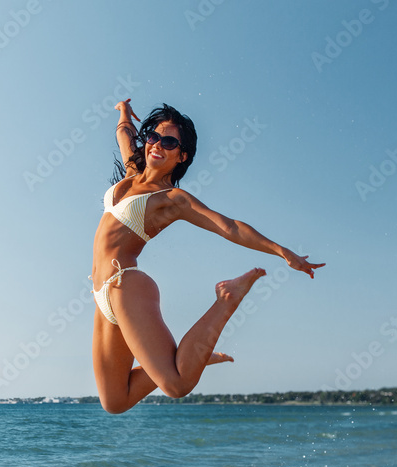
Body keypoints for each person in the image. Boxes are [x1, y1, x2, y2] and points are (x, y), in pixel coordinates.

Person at [91, 100, 323, 414]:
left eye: (170, 142)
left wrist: (282, 251)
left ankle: (226, 298)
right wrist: (122, 111)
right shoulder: (132, 172)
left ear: (182, 155)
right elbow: (123, 134)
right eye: (154, 138)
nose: (158, 145)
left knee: (177, 385)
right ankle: (195, 357)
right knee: (115, 401)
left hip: (125, 284)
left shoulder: (172, 199)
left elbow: (228, 226)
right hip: (101, 293)